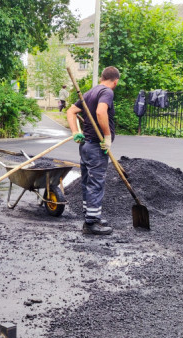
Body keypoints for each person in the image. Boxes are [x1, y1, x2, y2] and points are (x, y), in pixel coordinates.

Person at [66, 66, 120, 235]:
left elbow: (71, 111)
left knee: (87, 182)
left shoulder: (90, 93)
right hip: (96, 147)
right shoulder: (107, 92)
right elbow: (100, 111)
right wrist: (107, 136)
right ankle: (91, 224)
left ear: (101, 78)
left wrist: (76, 132)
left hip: (85, 146)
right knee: (96, 183)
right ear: (115, 81)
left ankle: (91, 216)